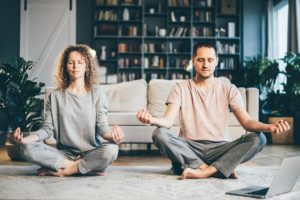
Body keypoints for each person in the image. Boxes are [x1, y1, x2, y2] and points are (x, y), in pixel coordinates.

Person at [136, 42, 290, 180]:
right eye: (200, 60)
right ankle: (218, 168)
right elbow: (168, 121)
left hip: (221, 148)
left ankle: (204, 171)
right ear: (193, 61)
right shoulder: (180, 88)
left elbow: (247, 122)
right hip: (190, 147)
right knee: (159, 134)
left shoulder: (229, 88)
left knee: (260, 138)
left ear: (216, 62)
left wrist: (268, 127)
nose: (205, 65)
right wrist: (152, 120)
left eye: (210, 60)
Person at [12, 44, 124, 177]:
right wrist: (26, 140)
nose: (75, 66)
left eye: (80, 62)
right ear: (65, 66)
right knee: (26, 148)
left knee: (111, 150)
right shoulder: (55, 95)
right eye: (71, 62)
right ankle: (85, 167)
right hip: (63, 154)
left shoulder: (98, 94)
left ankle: (65, 171)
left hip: (90, 152)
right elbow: (47, 129)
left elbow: (103, 128)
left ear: (87, 66)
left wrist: (114, 136)